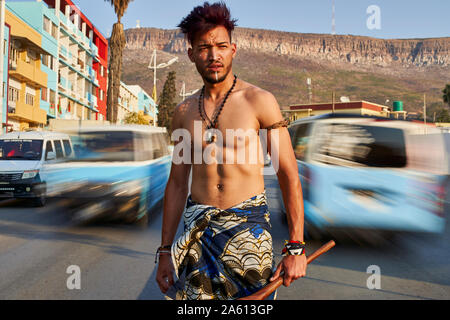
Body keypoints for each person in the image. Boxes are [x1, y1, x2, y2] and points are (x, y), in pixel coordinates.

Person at [156, 1, 306, 300]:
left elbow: (288, 174)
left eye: (221, 46)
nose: (214, 55)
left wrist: (295, 246)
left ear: (233, 50)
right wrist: (164, 250)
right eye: (203, 47)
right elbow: (176, 183)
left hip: (249, 238)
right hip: (198, 237)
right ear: (191, 54)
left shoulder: (259, 101)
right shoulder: (183, 112)